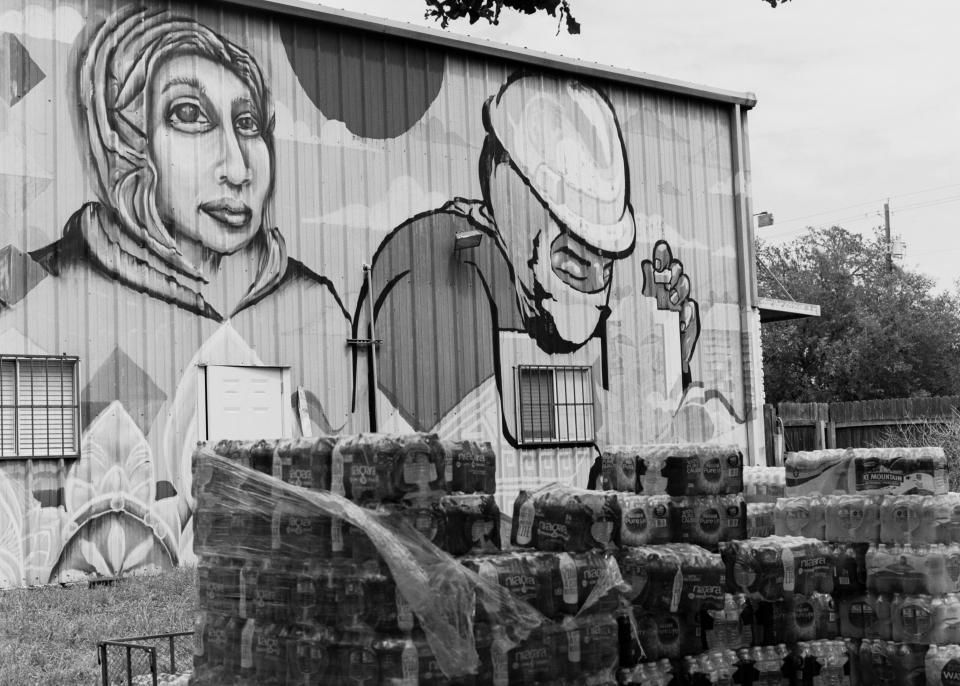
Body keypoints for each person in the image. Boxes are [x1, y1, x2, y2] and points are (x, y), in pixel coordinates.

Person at [1, 7, 351, 580]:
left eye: (247, 124)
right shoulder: (45, 287)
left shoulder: (314, 301)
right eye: (190, 115)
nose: (237, 170)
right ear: (127, 138)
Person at [356, 73, 699, 449]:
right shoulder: (434, 272)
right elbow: (456, 470)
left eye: (605, 260)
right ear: (506, 197)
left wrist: (661, 352)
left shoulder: (532, 295)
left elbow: (609, 444)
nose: (595, 280)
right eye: (573, 259)